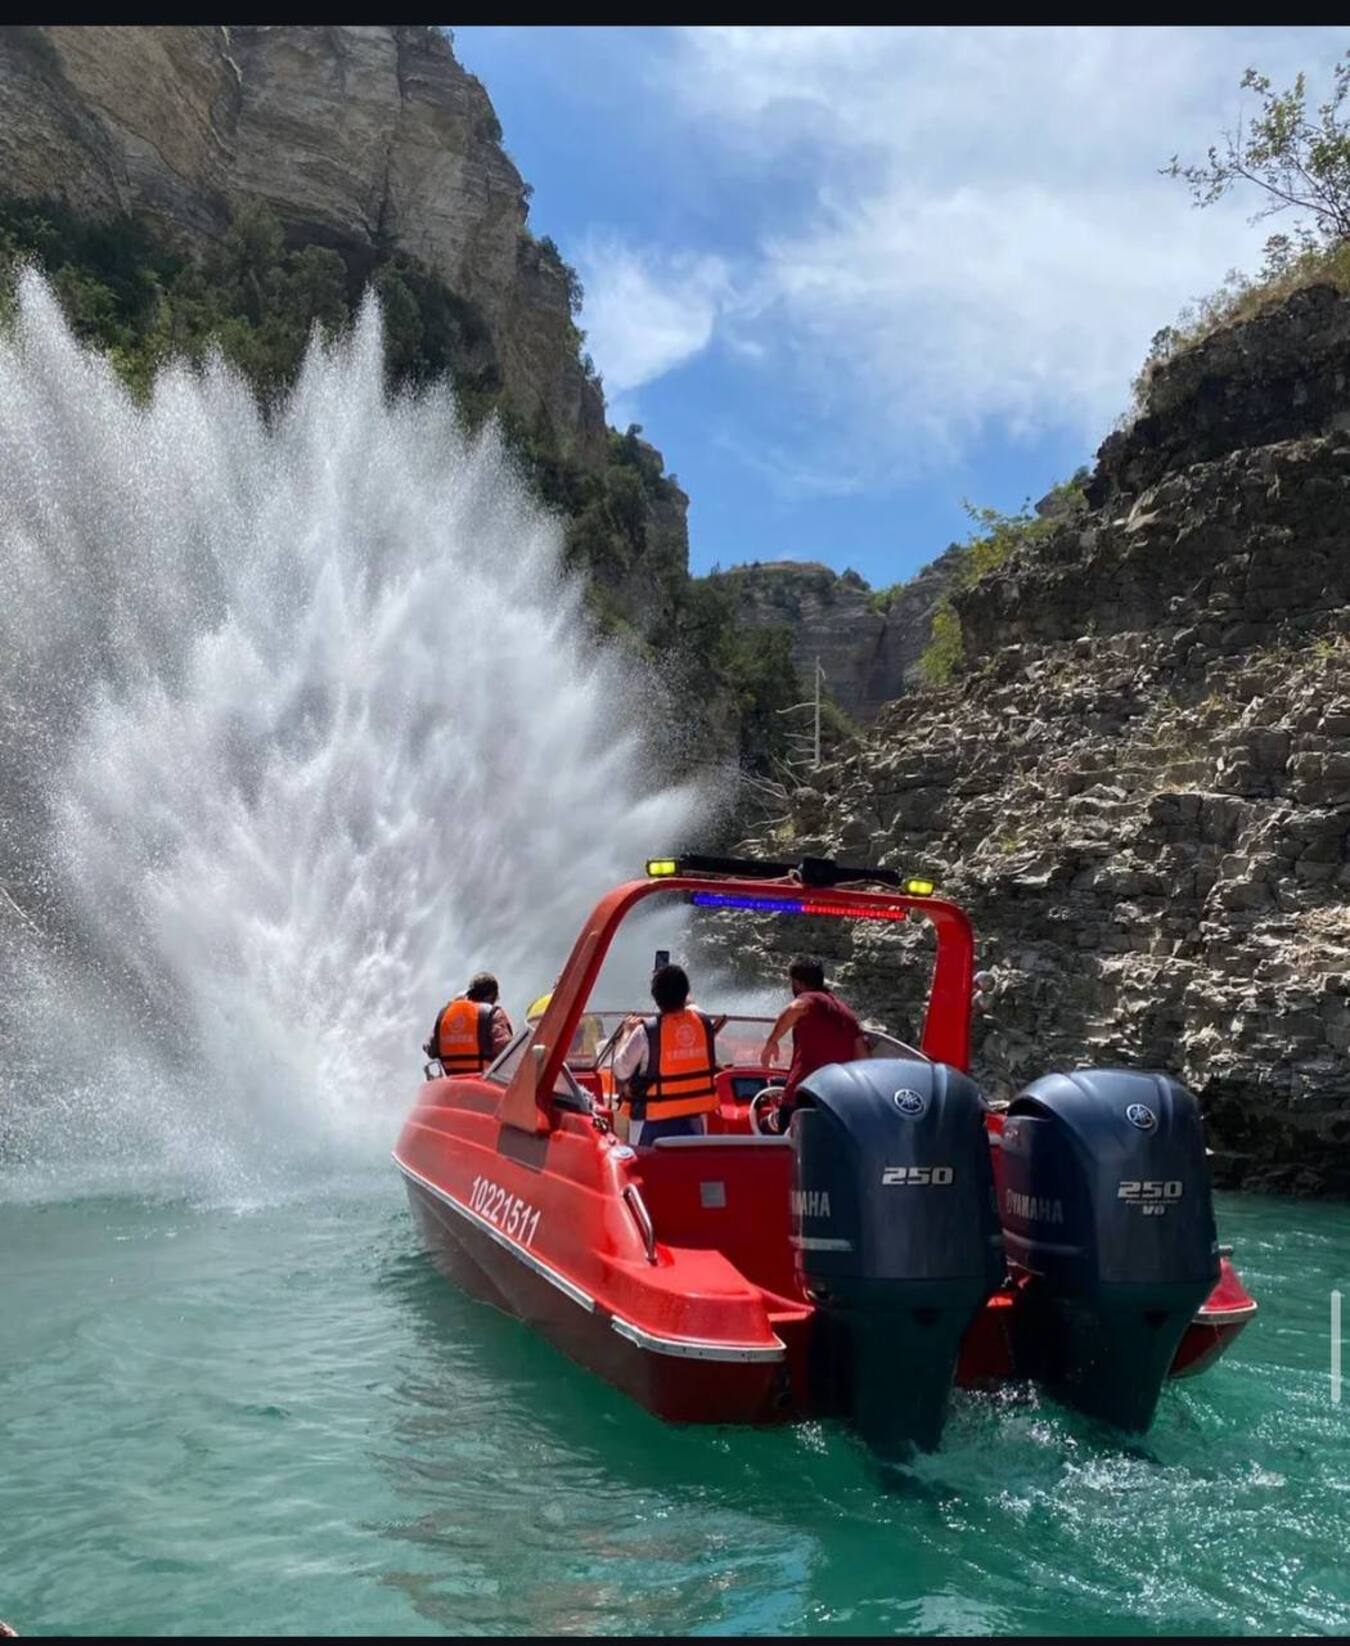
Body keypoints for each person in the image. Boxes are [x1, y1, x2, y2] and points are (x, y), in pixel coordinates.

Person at [611, 963, 721, 1147]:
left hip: (652, 1123)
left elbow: (621, 1070)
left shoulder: (645, 1032)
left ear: (655, 997)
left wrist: (627, 1033)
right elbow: (689, 1003)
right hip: (694, 1121)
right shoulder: (703, 1022)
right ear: (685, 993)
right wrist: (676, 984)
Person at [760, 957, 867, 1131]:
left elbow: (794, 1008)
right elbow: (862, 1055)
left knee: (781, 1139)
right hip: (836, 1101)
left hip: (803, 1094)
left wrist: (772, 1042)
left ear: (797, 983)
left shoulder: (811, 999)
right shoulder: (846, 1012)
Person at [424, 972, 514, 1074]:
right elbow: (507, 1050)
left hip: (452, 1079)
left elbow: (430, 1049)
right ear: (490, 997)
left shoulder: (445, 1014)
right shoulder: (492, 1014)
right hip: (484, 1079)